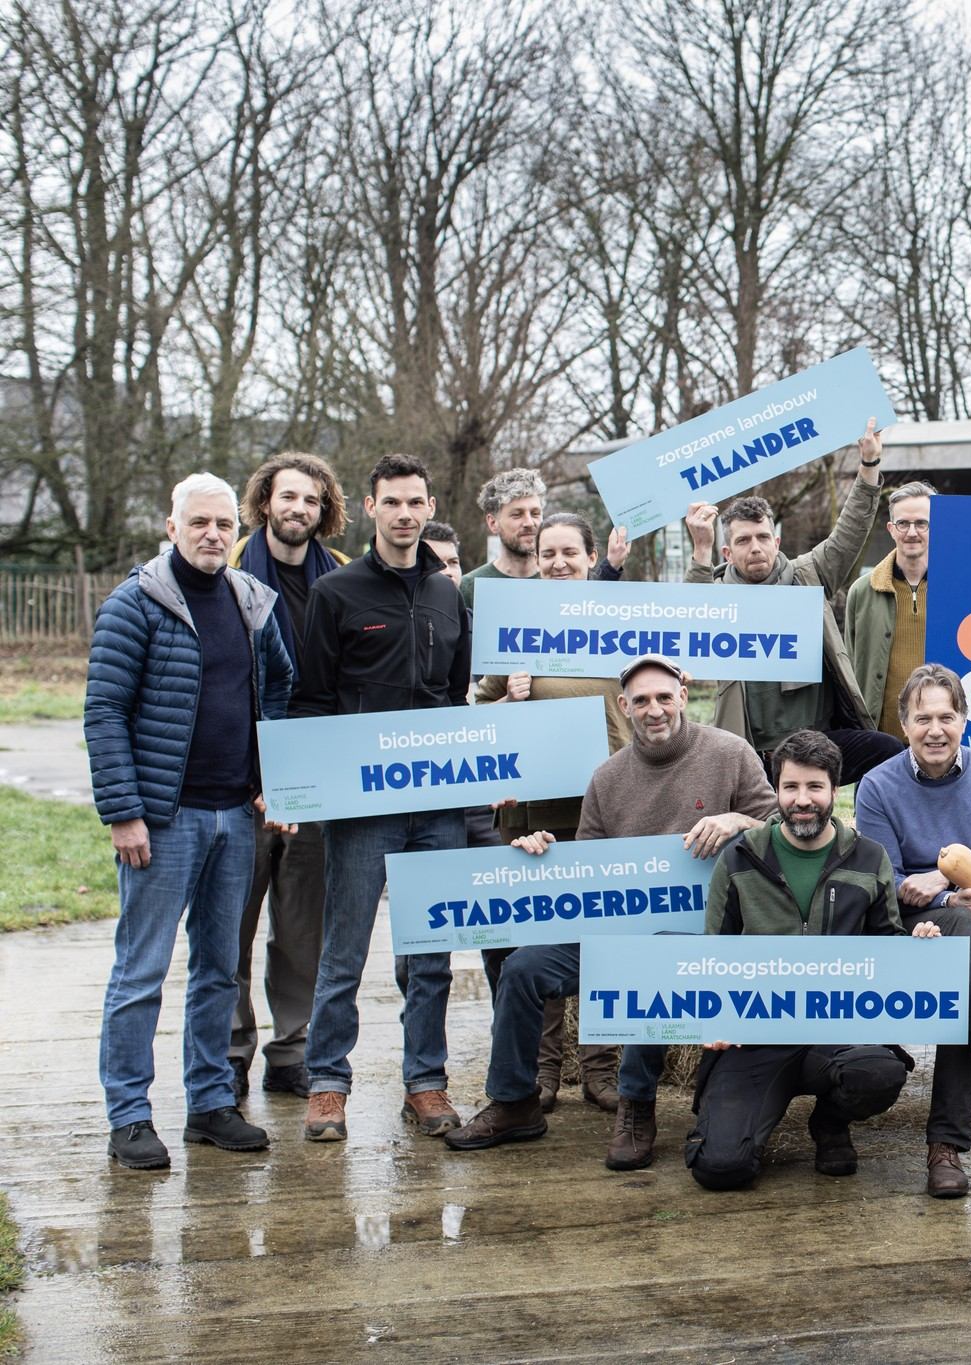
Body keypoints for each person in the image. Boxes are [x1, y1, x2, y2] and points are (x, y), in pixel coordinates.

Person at [442, 655, 776, 1161]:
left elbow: (780, 827)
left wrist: (736, 820)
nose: (654, 710)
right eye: (641, 701)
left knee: (650, 964)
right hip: (619, 924)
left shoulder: (730, 753)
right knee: (523, 968)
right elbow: (590, 870)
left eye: (663, 697)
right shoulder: (606, 777)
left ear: (683, 697)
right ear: (624, 707)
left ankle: (636, 1102)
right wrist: (540, 852)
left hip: (701, 928)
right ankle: (514, 1101)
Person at [85, 473, 294, 1169]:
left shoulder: (251, 602)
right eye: (199, 522)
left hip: (234, 816)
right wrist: (124, 813)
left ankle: (209, 1104)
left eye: (223, 523)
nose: (212, 533)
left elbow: (280, 687)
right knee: (141, 971)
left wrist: (268, 777)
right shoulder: (134, 605)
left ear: (237, 531)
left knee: (218, 971)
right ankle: (129, 1117)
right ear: (171, 528)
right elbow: (104, 712)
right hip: (163, 821)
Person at [292, 453, 472, 1143]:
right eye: (391, 502)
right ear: (370, 508)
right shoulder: (336, 592)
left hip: (439, 804)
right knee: (344, 949)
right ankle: (327, 1084)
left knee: (431, 955)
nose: (404, 513)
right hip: (364, 806)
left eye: (415, 502)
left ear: (430, 508)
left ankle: (425, 1082)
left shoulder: (448, 596)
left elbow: (456, 701)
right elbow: (311, 700)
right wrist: (311, 787)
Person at [683, 730, 945, 1190]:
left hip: (837, 1030)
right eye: (791, 786)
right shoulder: (740, 857)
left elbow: (886, 944)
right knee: (720, 1168)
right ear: (777, 789)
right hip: (757, 1034)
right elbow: (714, 953)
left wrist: (917, 948)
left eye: (814, 787)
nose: (802, 800)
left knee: (879, 1073)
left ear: (834, 790)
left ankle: (830, 1121)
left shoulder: (869, 858)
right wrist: (715, 1018)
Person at [854, 663, 971, 1197]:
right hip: (914, 924)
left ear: (963, 721)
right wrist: (941, 898)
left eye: (946, 717)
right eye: (923, 719)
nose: (935, 730)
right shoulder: (877, 786)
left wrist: (947, 877)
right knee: (966, 959)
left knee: (966, 968)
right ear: (904, 725)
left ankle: (947, 1147)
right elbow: (883, 878)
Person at [471, 512, 637, 1112]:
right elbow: (478, 714)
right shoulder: (514, 627)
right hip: (535, 812)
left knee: (605, 937)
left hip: (611, 805)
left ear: (592, 557)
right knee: (537, 938)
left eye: (570, 552)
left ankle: (601, 1068)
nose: (559, 563)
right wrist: (509, 700)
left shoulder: (622, 624)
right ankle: (543, 1072)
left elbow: (659, 694)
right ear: (535, 561)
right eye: (549, 554)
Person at [225, 453, 352, 1101]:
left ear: (324, 510)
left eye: (311, 499)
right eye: (288, 496)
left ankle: (292, 1052)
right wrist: (253, 773)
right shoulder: (227, 572)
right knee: (231, 924)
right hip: (240, 781)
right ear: (264, 501)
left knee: (303, 927)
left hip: (317, 779)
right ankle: (229, 1050)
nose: (299, 508)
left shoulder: (345, 578)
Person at [683, 419, 903, 783]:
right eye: (743, 541)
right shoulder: (717, 596)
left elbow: (849, 532)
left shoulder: (808, 574)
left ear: (776, 542)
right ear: (728, 552)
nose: (755, 547)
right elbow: (692, 621)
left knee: (888, 750)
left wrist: (868, 465)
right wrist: (701, 548)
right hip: (751, 753)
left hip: (816, 744)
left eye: (762, 537)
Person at [844, 480, 936, 743]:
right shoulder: (862, 591)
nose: (912, 532)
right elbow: (850, 669)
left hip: (941, 738)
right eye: (903, 523)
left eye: (922, 523)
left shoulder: (958, 590)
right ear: (891, 529)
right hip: (881, 742)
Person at [459, 468, 625, 608]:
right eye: (517, 515)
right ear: (493, 522)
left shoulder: (563, 578)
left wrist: (612, 565)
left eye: (535, 513)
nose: (529, 523)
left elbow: (594, 606)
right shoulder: (470, 588)